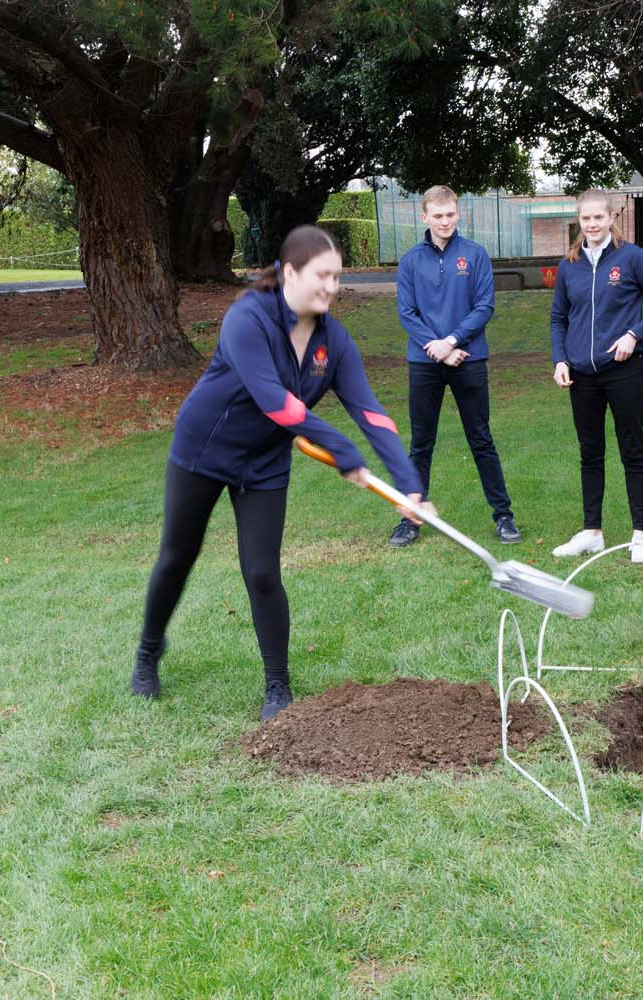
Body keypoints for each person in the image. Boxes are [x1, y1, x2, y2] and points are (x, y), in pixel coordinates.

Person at [132, 224, 428, 720]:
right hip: (204, 449)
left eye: (337, 277)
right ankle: (148, 651)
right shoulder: (247, 318)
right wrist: (342, 450)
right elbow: (276, 402)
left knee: (263, 571)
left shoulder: (333, 342)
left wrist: (410, 485)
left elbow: (372, 415)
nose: (332, 287)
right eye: (322, 276)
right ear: (290, 272)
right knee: (176, 557)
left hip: (265, 463)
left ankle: (277, 687)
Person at [548, 189, 643, 563]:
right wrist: (560, 359)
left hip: (625, 373)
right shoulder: (569, 265)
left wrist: (634, 334)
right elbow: (558, 318)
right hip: (581, 376)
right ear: (579, 220)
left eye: (598, 218)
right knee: (590, 453)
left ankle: (640, 535)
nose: (592, 224)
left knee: (631, 451)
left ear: (611, 218)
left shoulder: (632, 258)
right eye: (585, 218)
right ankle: (592, 532)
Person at [387, 185, 519, 549]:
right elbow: (407, 313)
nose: (445, 221)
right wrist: (439, 349)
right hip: (425, 362)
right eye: (438, 215)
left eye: (450, 214)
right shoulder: (410, 261)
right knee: (420, 444)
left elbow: (484, 306)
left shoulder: (475, 254)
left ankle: (503, 515)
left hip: (468, 359)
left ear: (458, 214)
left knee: (481, 439)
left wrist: (453, 341)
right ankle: (410, 519)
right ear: (424, 216)